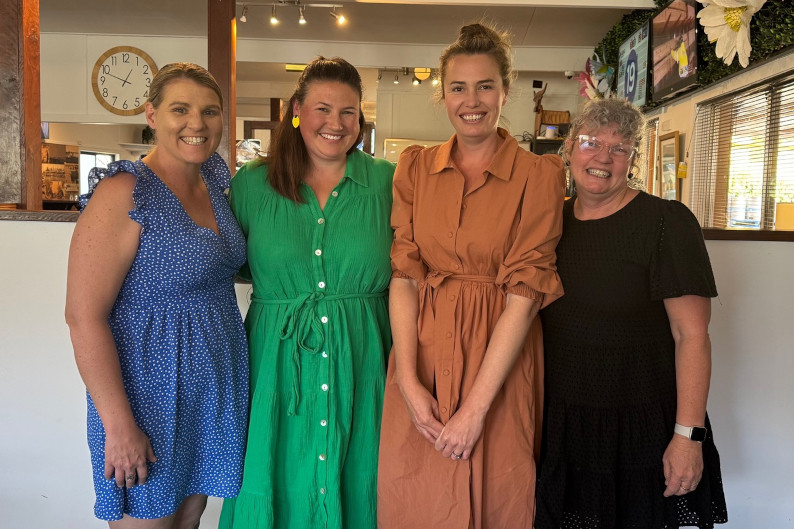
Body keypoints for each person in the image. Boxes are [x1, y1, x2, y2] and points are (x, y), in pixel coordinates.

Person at [377, 23, 565, 528]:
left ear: (506, 90)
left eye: (485, 86)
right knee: (414, 496)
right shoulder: (414, 169)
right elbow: (404, 276)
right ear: (443, 95)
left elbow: (525, 295)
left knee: (497, 495)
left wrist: (475, 409)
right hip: (424, 357)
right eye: (458, 88)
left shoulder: (538, 176)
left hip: (497, 364)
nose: (472, 100)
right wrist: (409, 384)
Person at [65, 63, 249, 528]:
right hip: (150, 393)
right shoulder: (126, 190)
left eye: (210, 111)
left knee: (188, 519)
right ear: (152, 115)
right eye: (180, 109)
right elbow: (83, 316)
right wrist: (118, 425)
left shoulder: (214, 179)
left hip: (211, 391)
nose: (197, 124)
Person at [535, 98, 728, 528]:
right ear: (568, 150)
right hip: (561, 427)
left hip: (640, 429)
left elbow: (692, 336)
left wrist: (688, 437)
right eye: (590, 142)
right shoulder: (550, 223)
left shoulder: (665, 223)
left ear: (633, 159)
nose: (602, 157)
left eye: (618, 148)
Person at [219, 56, 395, 529]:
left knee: (363, 474)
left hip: (365, 360)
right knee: (278, 474)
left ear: (361, 118)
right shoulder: (252, 185)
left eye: (348, 112)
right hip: (275, 364)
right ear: (297, 110)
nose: (335, 124)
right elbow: (221, 268)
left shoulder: (390, 183)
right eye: (322, 109)